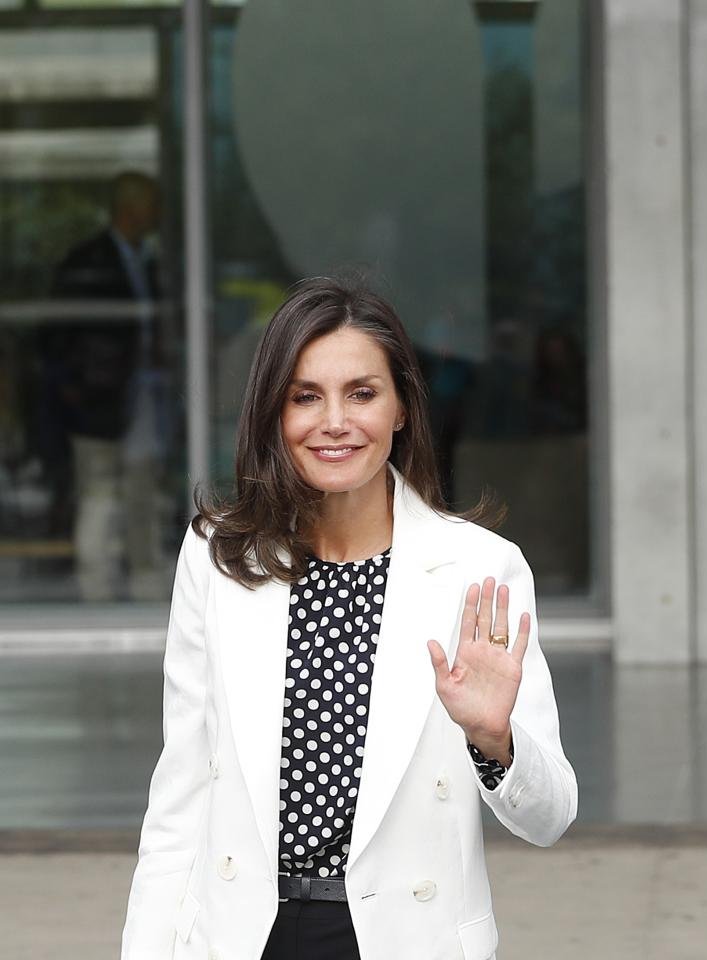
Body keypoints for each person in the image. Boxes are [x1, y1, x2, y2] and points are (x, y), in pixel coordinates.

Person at [120, 278, 577, 959]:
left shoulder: (477, 569)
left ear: (400, 409)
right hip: (241, 934)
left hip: (403, 939)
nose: (334, 421)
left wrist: (493, 739)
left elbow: (549, 817)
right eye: (305, 396)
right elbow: (181, 789)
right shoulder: (217, 554)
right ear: (273, 412)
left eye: (362, 393)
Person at [47, 170, 168, 600]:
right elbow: (59, 334)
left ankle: (146, 582)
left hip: (142, 394)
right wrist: (75, 388)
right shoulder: (88, 261)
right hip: (97, 398)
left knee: (142, 491)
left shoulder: (146, 261)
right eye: (153, 205)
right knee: (99, 493)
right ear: (131, 208)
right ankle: (95, 589)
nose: (159, 214)